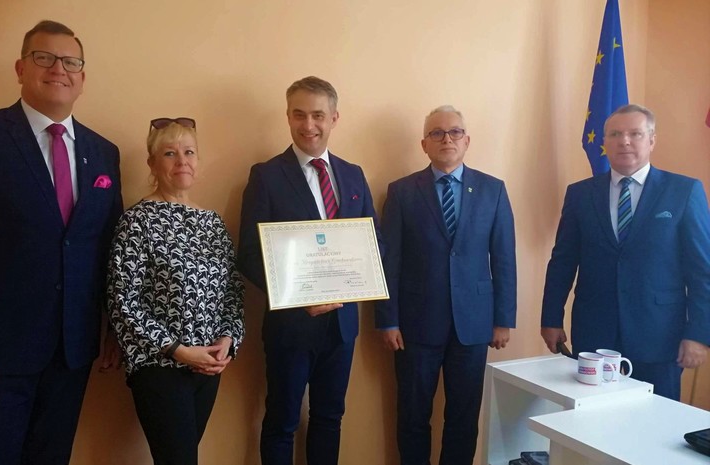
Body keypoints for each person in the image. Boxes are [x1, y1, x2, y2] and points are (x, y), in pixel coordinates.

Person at [0, 20, 122, 464]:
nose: (58, 68)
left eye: (71, 62)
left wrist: (115, 328)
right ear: (21, 68)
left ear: (82, 77)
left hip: (71, 355)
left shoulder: (104, 152)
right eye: (44, 58)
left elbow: (107, 251)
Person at [238, 76, 381, 465]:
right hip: (290, 325)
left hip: (342, 326)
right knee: (282, 422)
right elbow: (249, 254)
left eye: (318, 115)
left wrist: (358, 281)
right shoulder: (266, 175)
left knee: (330, 419)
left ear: (334, 118)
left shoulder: (353, 175)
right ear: (287, 116)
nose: (308, 125)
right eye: (299, 114)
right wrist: (297, 296)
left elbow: (373, 243)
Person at [375, 105, 517, 465]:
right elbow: (389, 261)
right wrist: (388, 320)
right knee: (412, 416)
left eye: (455, 132)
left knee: (463, 419)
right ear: (424, 144)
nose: (446, 139)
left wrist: (503, 320)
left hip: (474, 325)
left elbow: (504, 259)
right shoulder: (402, 192)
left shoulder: (493, 190)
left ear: (467, 141)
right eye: (436, 133)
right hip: (415, 326)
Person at [541, 103, 710, 400]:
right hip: (594, 334)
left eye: (635, 134)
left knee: (655, 421)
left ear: (652, 140)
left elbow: (702, 272)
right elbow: (563, 261)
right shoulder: (580, 194)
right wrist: (551, 318)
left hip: (659, 337)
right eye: (615, 134)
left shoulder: (684, 191)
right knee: (592, 420)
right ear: (605, 142)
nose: (625, 141)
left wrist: (698, 334)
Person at [107, 117, 245, 464]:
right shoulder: (137, 221)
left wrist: (228, 340)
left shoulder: (213, 223)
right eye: (169, 153)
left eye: (189, 152)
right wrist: (178, 350)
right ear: (152, 163)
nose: (182, 160)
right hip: (160, 367)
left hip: (208, 367)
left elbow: (233, 292)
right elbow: (122, 302)